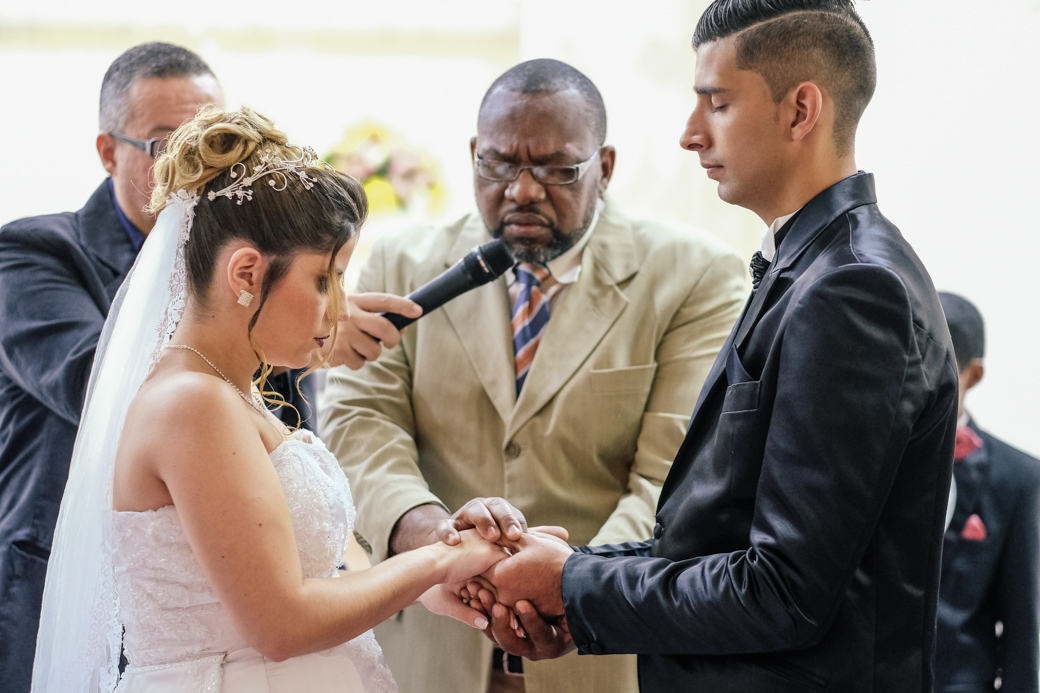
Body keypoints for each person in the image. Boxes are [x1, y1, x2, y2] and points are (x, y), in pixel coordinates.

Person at [473, 2, 961, 692]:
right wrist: (576, 572)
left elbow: (783, 589)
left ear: (800, 111)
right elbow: (717, 534)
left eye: (717, 104)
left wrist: (576, 583)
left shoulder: (853, 288)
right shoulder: (806, 264)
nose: (689, 135)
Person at [32, 106, 521, 693]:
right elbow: (281, 624)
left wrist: (434, 578)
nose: (339, 308)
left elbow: (309, 577)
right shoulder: (192, 403)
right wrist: (439, 558)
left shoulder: (232, 392)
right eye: (325, 279)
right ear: (245, 273)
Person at [319, 59, 747, 693]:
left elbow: (674, 472)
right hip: (431, 652)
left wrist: (567, 587)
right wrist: (435, 541)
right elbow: (361, 423)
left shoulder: (696, 276)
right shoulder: (402, 260)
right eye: (497, 164)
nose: (521, 190)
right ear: (471, 155)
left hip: (601, 655)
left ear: (604, 167)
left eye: (556, 168)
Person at [0, 42, 224, 692]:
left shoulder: (249, 270)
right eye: (165, 145)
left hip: (203, 604)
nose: (193, 168)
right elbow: (96, 386)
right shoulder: (32, 253)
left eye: (211, 144)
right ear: (108, 151)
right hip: (57, 594)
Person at [934, 292, 1040, 693]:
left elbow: (1021, 626)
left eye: (937, 367)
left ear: (972, 375)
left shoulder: (1018, 478)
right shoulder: (863, 458)